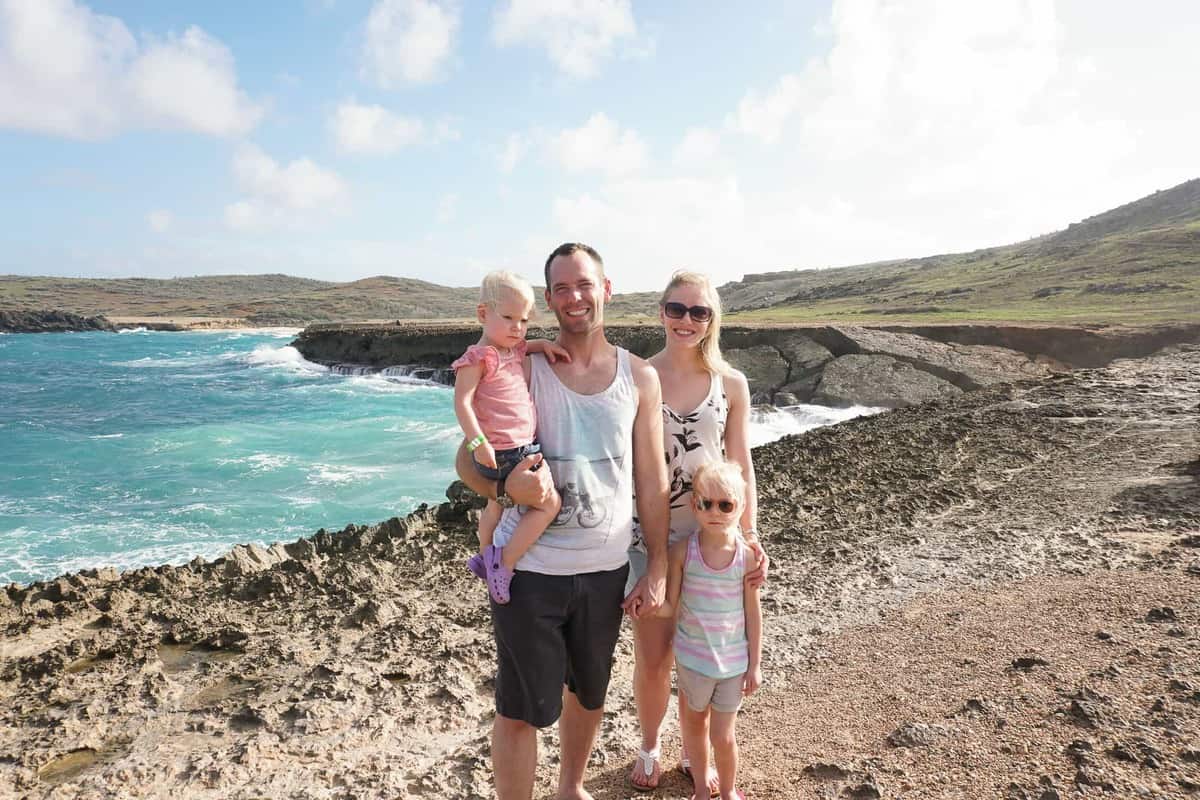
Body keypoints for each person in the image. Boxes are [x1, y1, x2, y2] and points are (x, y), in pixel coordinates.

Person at [454, 243, 670, 800]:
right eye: (563, 289)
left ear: (606, 289)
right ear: (549, 300)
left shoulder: (640, 376)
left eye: (585, 284)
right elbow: (465, 459)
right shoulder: (522, 364)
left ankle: (570, 787)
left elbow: (651, 480)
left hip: (606, 570)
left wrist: (659, 566)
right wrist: (503, 486)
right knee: (520, 707)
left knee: (591, 692)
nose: (575, 297)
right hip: (529, 569)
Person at [628, 270, 768, 793]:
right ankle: (649, 747)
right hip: (652, 539)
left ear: (713, 320)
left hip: (714, 542)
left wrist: (749, 538)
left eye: (699, 312)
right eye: (676, 309)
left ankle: (696, 752)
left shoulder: (732, 384)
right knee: (656, 654)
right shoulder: (640, 375)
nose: (686, 320)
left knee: (707, 653)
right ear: (661, 312)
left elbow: (742, 463)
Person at [452, 270, 569, 604]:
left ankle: (483, 555)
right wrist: (478, 444)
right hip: (505, 453)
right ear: (483, 314)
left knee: (494, 508)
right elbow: (461, 403)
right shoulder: (477, 358)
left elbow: (523, 345)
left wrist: (542, 344)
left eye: (524, 320)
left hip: (514, 448)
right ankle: (504, 563)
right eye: (508, 318)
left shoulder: (511, 349)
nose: (517, 328)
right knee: (549, 504)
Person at [658, 459, 762, 800]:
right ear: (694, 505)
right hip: (692, 660)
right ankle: (702, 786)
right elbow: (670, 605)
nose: (715, 511)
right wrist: (645, 601)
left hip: (733, 664)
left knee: (724, 736)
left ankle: (729, 790)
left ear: (741, 506)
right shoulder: (681, 552)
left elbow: (753, 613)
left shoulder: (747, 557)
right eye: (706, 503)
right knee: (694, 728)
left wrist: (755, 664)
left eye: (726, 504)